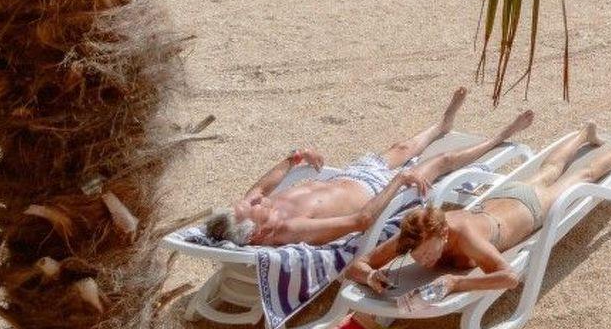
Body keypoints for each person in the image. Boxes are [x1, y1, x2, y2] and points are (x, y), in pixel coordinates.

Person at [343, 124, 611, 306]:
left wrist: (456, 283)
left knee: (582, 176)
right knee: (548, 170)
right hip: (499, 199)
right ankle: (583, 133)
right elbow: (356, 266)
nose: (421, 260)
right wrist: (370, 275)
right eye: (418, 256)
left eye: (426, 253)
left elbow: (509, 278)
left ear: (444, 234)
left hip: (530, 207)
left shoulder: (468, 238)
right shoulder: (415, 233)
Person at [203, 88, 535, 248]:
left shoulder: (252, 209)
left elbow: (262, 186)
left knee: (402, 147)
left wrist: (295, 157)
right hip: (379, 193)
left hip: (350, 175)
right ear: (257, 233)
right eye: (254, 207)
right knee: (441, 162)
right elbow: (360, 221)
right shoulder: (289, 229)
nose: (257, 199)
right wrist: (399, 182)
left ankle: (442, 125)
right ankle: (501, 136)